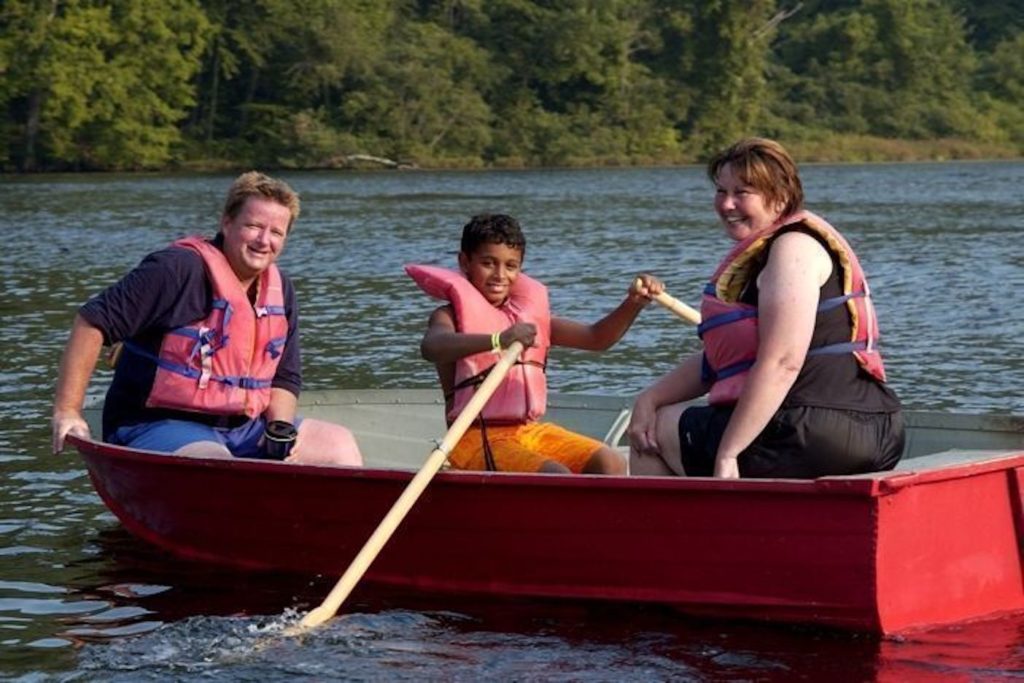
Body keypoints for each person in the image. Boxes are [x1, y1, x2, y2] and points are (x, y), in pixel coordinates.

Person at [629, 138, 904, 479]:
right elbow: (719, 361)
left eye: (742, 192)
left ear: (781, 197)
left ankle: (669, 533)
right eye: (720, 191)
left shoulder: (792, 249)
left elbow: (783, 362)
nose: (727, 204)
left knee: (652, 431)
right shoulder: (768, 255)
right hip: (865, 429)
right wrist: (648, 398)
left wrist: (730, 452)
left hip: (812, 428)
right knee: (653, 414)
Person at [51, 171, 362, 466]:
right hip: (157, 424)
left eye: (276, 232)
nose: (263, 240)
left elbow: (284, 378)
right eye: (253, 226)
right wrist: (67, 411)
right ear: (227, 223)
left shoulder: (281, 291)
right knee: (216, 463)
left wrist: (279, 431)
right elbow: (92, 321)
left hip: (242, 429)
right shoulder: (176, 270)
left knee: (339, 444)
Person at [407, 213, 662, 475]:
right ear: (465, 262)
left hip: (528, 430)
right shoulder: (448, 316)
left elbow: (597, 338)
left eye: (510, 266)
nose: (500, 275)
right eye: (488, 263)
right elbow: (432, 347)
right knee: (555, 474)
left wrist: (633, 304)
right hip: (473, 438)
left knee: (611, 461)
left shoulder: (528, 318)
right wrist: (498, 340)